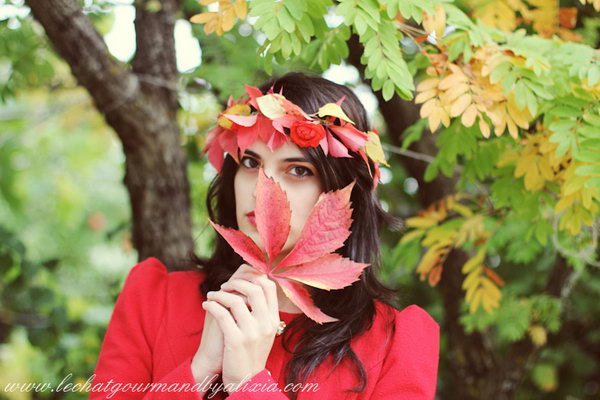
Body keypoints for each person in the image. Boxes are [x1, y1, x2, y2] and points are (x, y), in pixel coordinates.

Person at [90, 72, 439, 399]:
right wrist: (198, 373)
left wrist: (249, 383)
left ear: (345, 192)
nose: (262, 188)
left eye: (298, 170)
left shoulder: (396, 342)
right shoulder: (154, 298)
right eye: (251, 163)